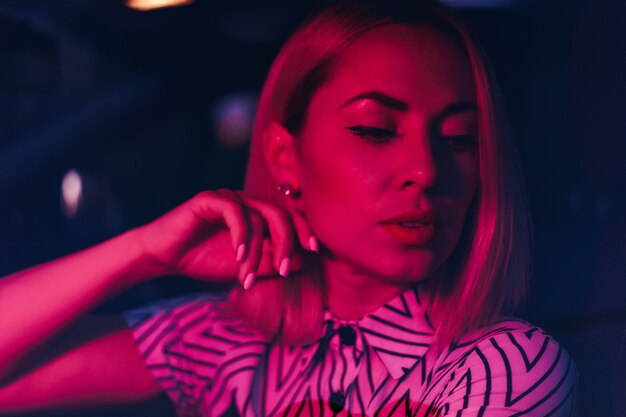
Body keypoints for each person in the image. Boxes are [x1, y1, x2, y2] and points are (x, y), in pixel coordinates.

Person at [0, 0, 577, 415]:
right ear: (284, 158)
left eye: (458, 139)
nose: (427, 171)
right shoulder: (225, 341)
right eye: (375, 130)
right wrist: (142, 253)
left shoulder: (503, 367)